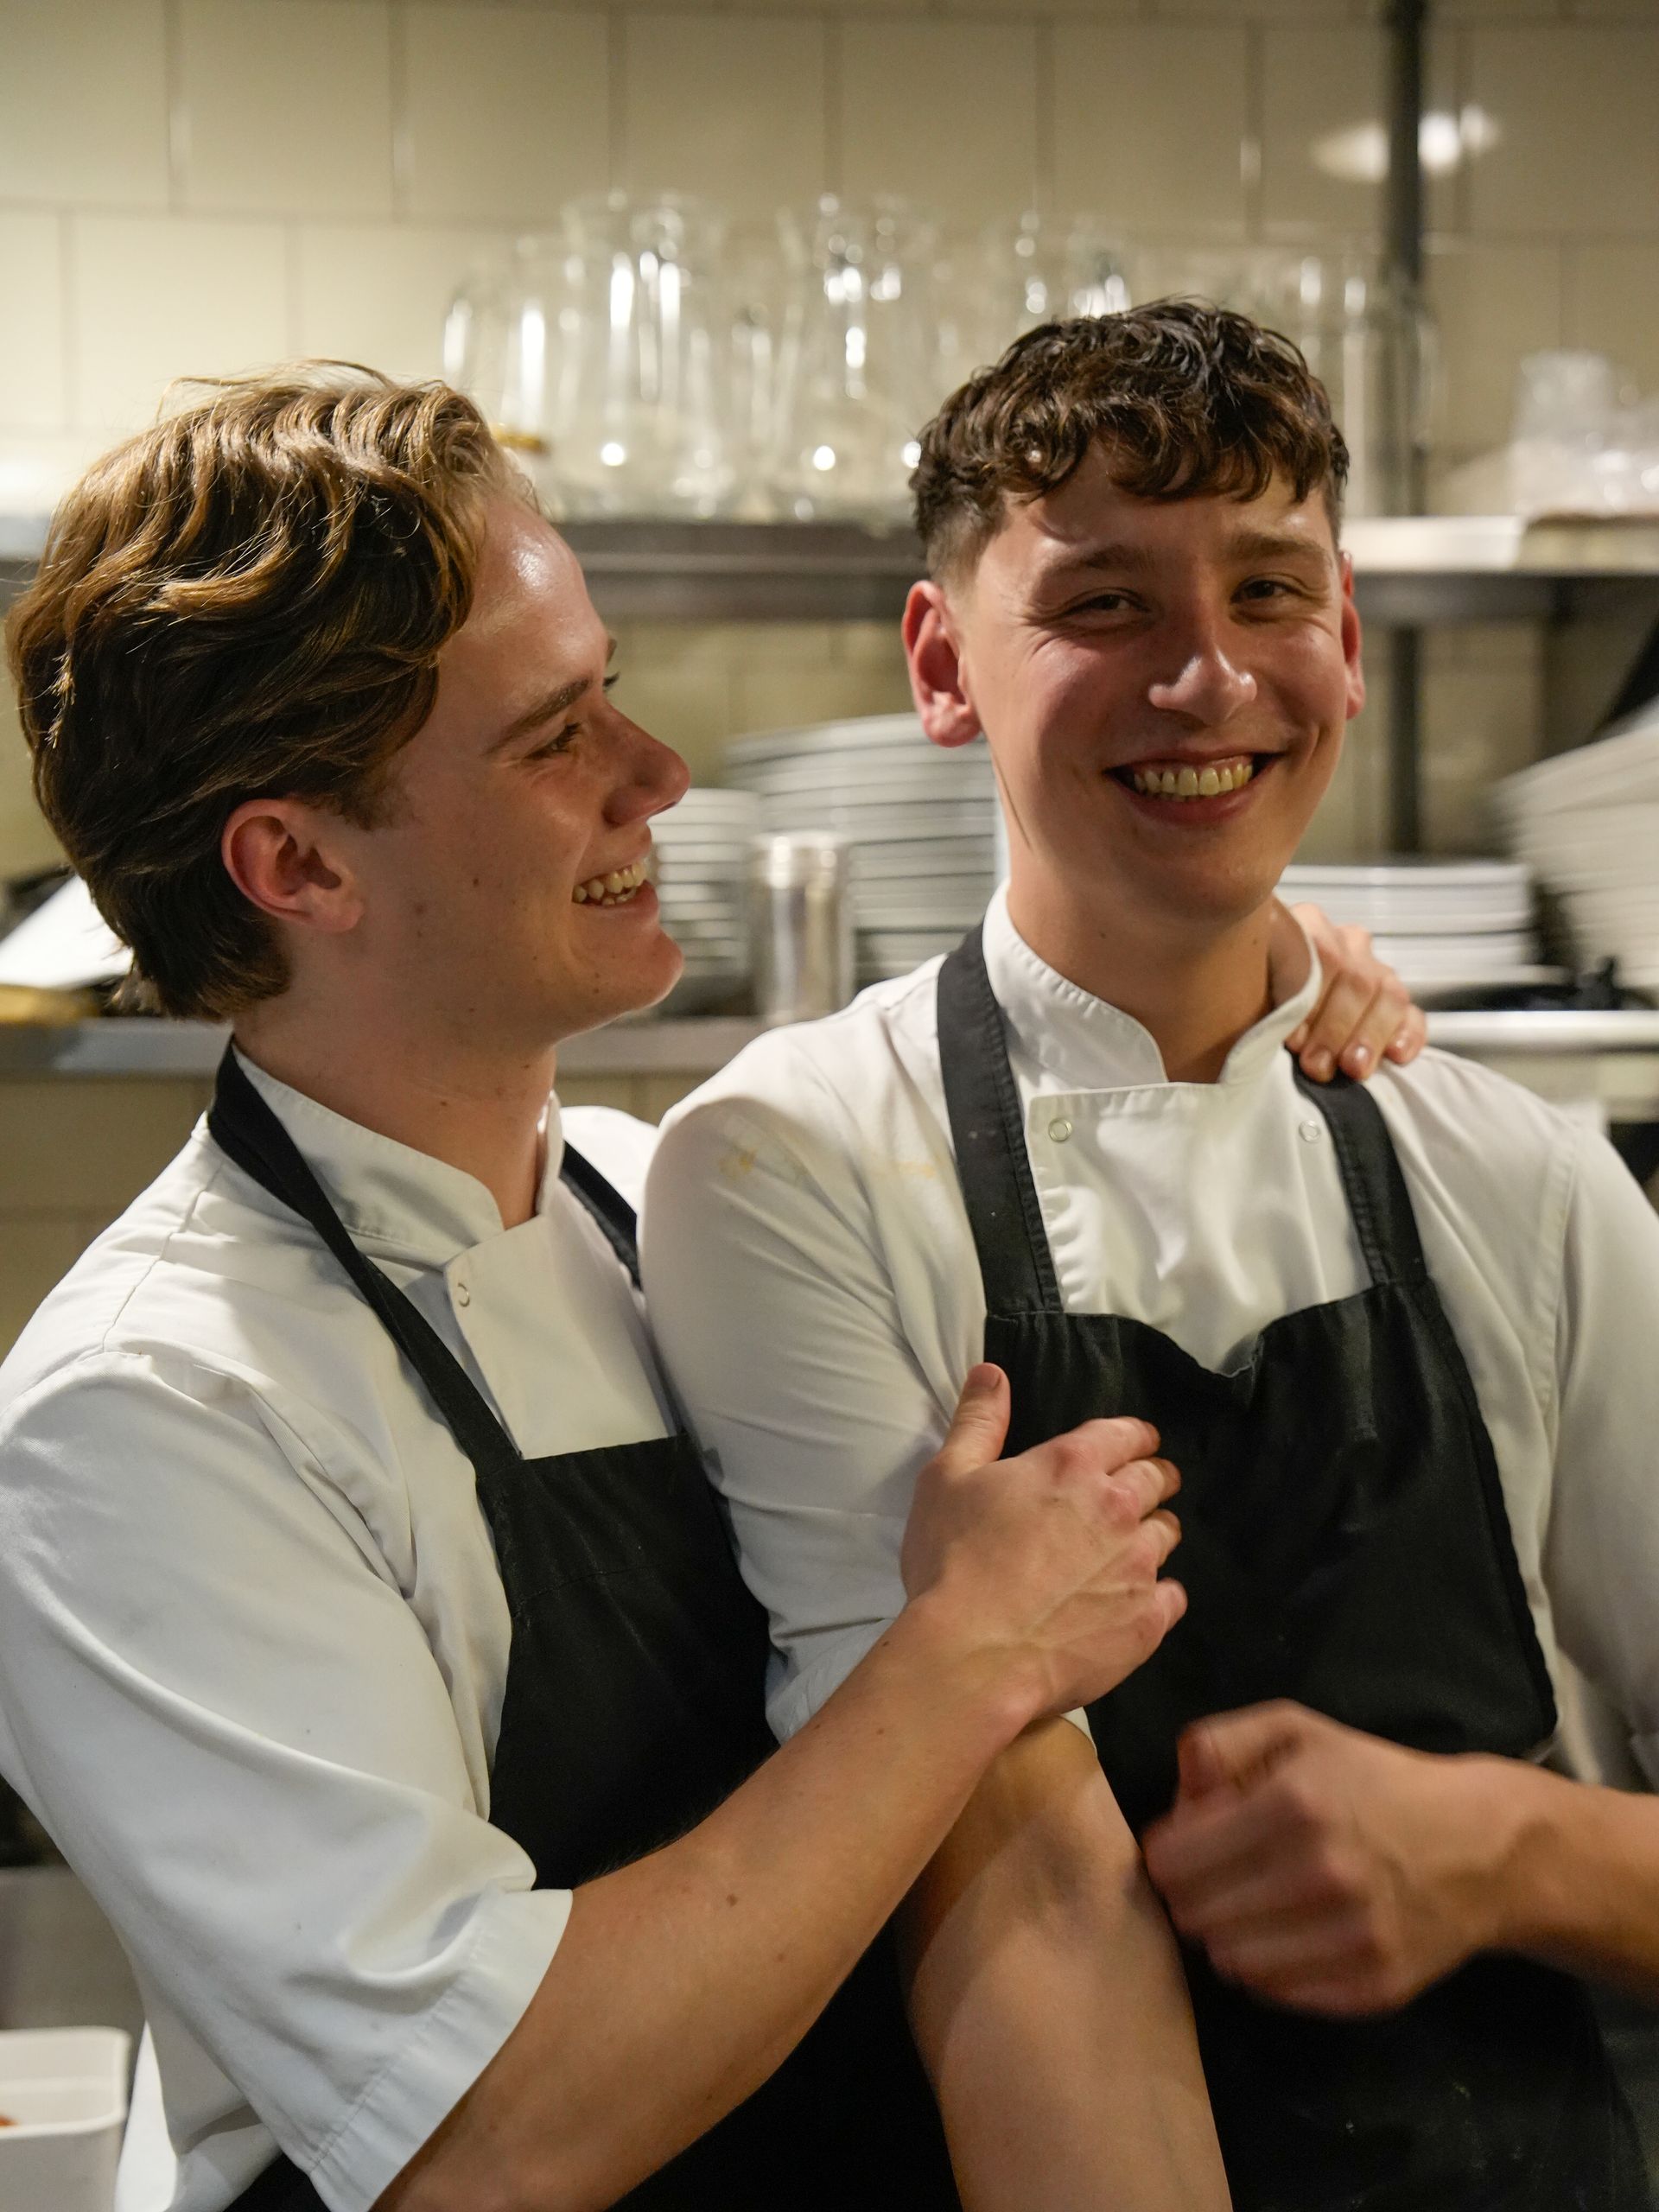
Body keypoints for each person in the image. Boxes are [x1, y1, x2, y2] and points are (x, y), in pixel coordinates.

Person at [0, 367, 1409, 2212]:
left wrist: (1275, 956)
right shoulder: (151, 1416)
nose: (657, 772)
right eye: (552, 733)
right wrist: (963, 1656)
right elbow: (486, 2130)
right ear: (298, 862)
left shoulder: (655, 1194)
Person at [640, 303, 1659, 2211]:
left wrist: (1514, 1845)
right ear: (945, 667)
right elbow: (988, 1858)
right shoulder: (801, 1160)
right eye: (1104, 605)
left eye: (1270, 590)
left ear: (1347, 642)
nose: (1209, 679)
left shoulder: (1523, 1177)